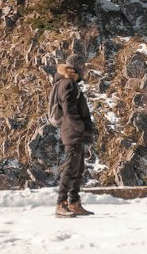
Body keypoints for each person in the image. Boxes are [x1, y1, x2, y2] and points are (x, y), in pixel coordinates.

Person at [49, 54, 95, 219]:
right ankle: (61, 204)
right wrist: (81, 127)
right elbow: (70, 110)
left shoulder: (70, 83)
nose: (85, 70)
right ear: (76, 67)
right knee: (70, 168)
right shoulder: (67, 84)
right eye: (83, 66)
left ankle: (74, 203)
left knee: (78, 169)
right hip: (73, 132)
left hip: (75, 133)